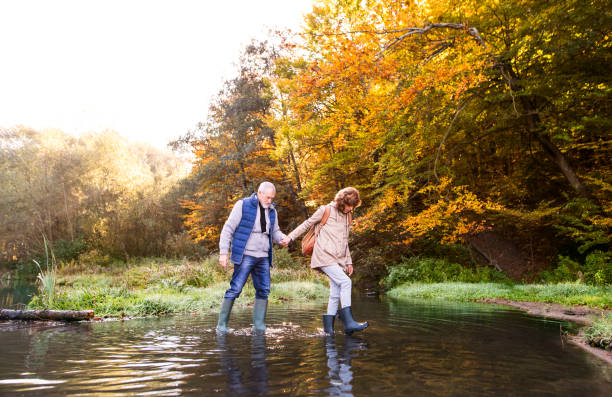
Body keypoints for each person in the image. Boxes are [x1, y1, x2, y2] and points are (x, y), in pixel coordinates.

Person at [282, 187, 368, 335]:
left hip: (339, 259)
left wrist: (349, 261)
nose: (350, 208)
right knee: (346, 282)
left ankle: (328, 331)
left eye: (353, 206)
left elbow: (345, 240)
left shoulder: (348, 216)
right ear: (342, 201)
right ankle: (348, 322)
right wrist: (290, 237)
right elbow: (307, 224)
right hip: (324, 256)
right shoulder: (325, 210)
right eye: (348, 205)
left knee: (335, 292)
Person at [217, 181, 288, 333]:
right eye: (268, 197)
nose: (270, 201)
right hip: (246, 255)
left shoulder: (272, 211)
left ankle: (259, 326)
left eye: (272, 198)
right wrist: (223, 252)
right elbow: (228, 229)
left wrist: (282, 238)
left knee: (264, 290)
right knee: (235, 289)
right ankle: (221, 326)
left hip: (263, 257)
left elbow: (275, 232)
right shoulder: (242, 205)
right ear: (259, 193)